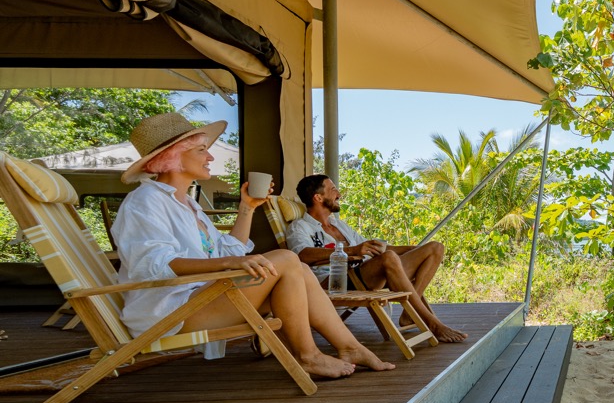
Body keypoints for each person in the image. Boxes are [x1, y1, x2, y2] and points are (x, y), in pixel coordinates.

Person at [111, 112, 395, 379]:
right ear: (171, 157)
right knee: (285, 258)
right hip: (168, 312)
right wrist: (228, 264)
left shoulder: (187, 205)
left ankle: (349, 347)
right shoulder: (145, 201)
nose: (209, 156)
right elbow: (152, 264)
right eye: (201, 150)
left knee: (299, 273)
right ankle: (308, 355)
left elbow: (226, 250)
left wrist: (247, 208)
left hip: (199, 299)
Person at [287, 174, 467, 343]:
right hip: (335, 280)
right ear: (318, 198)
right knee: (388, 257)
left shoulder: (338, 224)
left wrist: (413, 250)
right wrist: (352, 250)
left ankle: (408, 313)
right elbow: (301, 254)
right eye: (333, 189)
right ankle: (433, 323)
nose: (339, 194)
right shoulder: (300, 227)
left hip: (367, 272)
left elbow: (371, 247)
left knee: (435, 248)